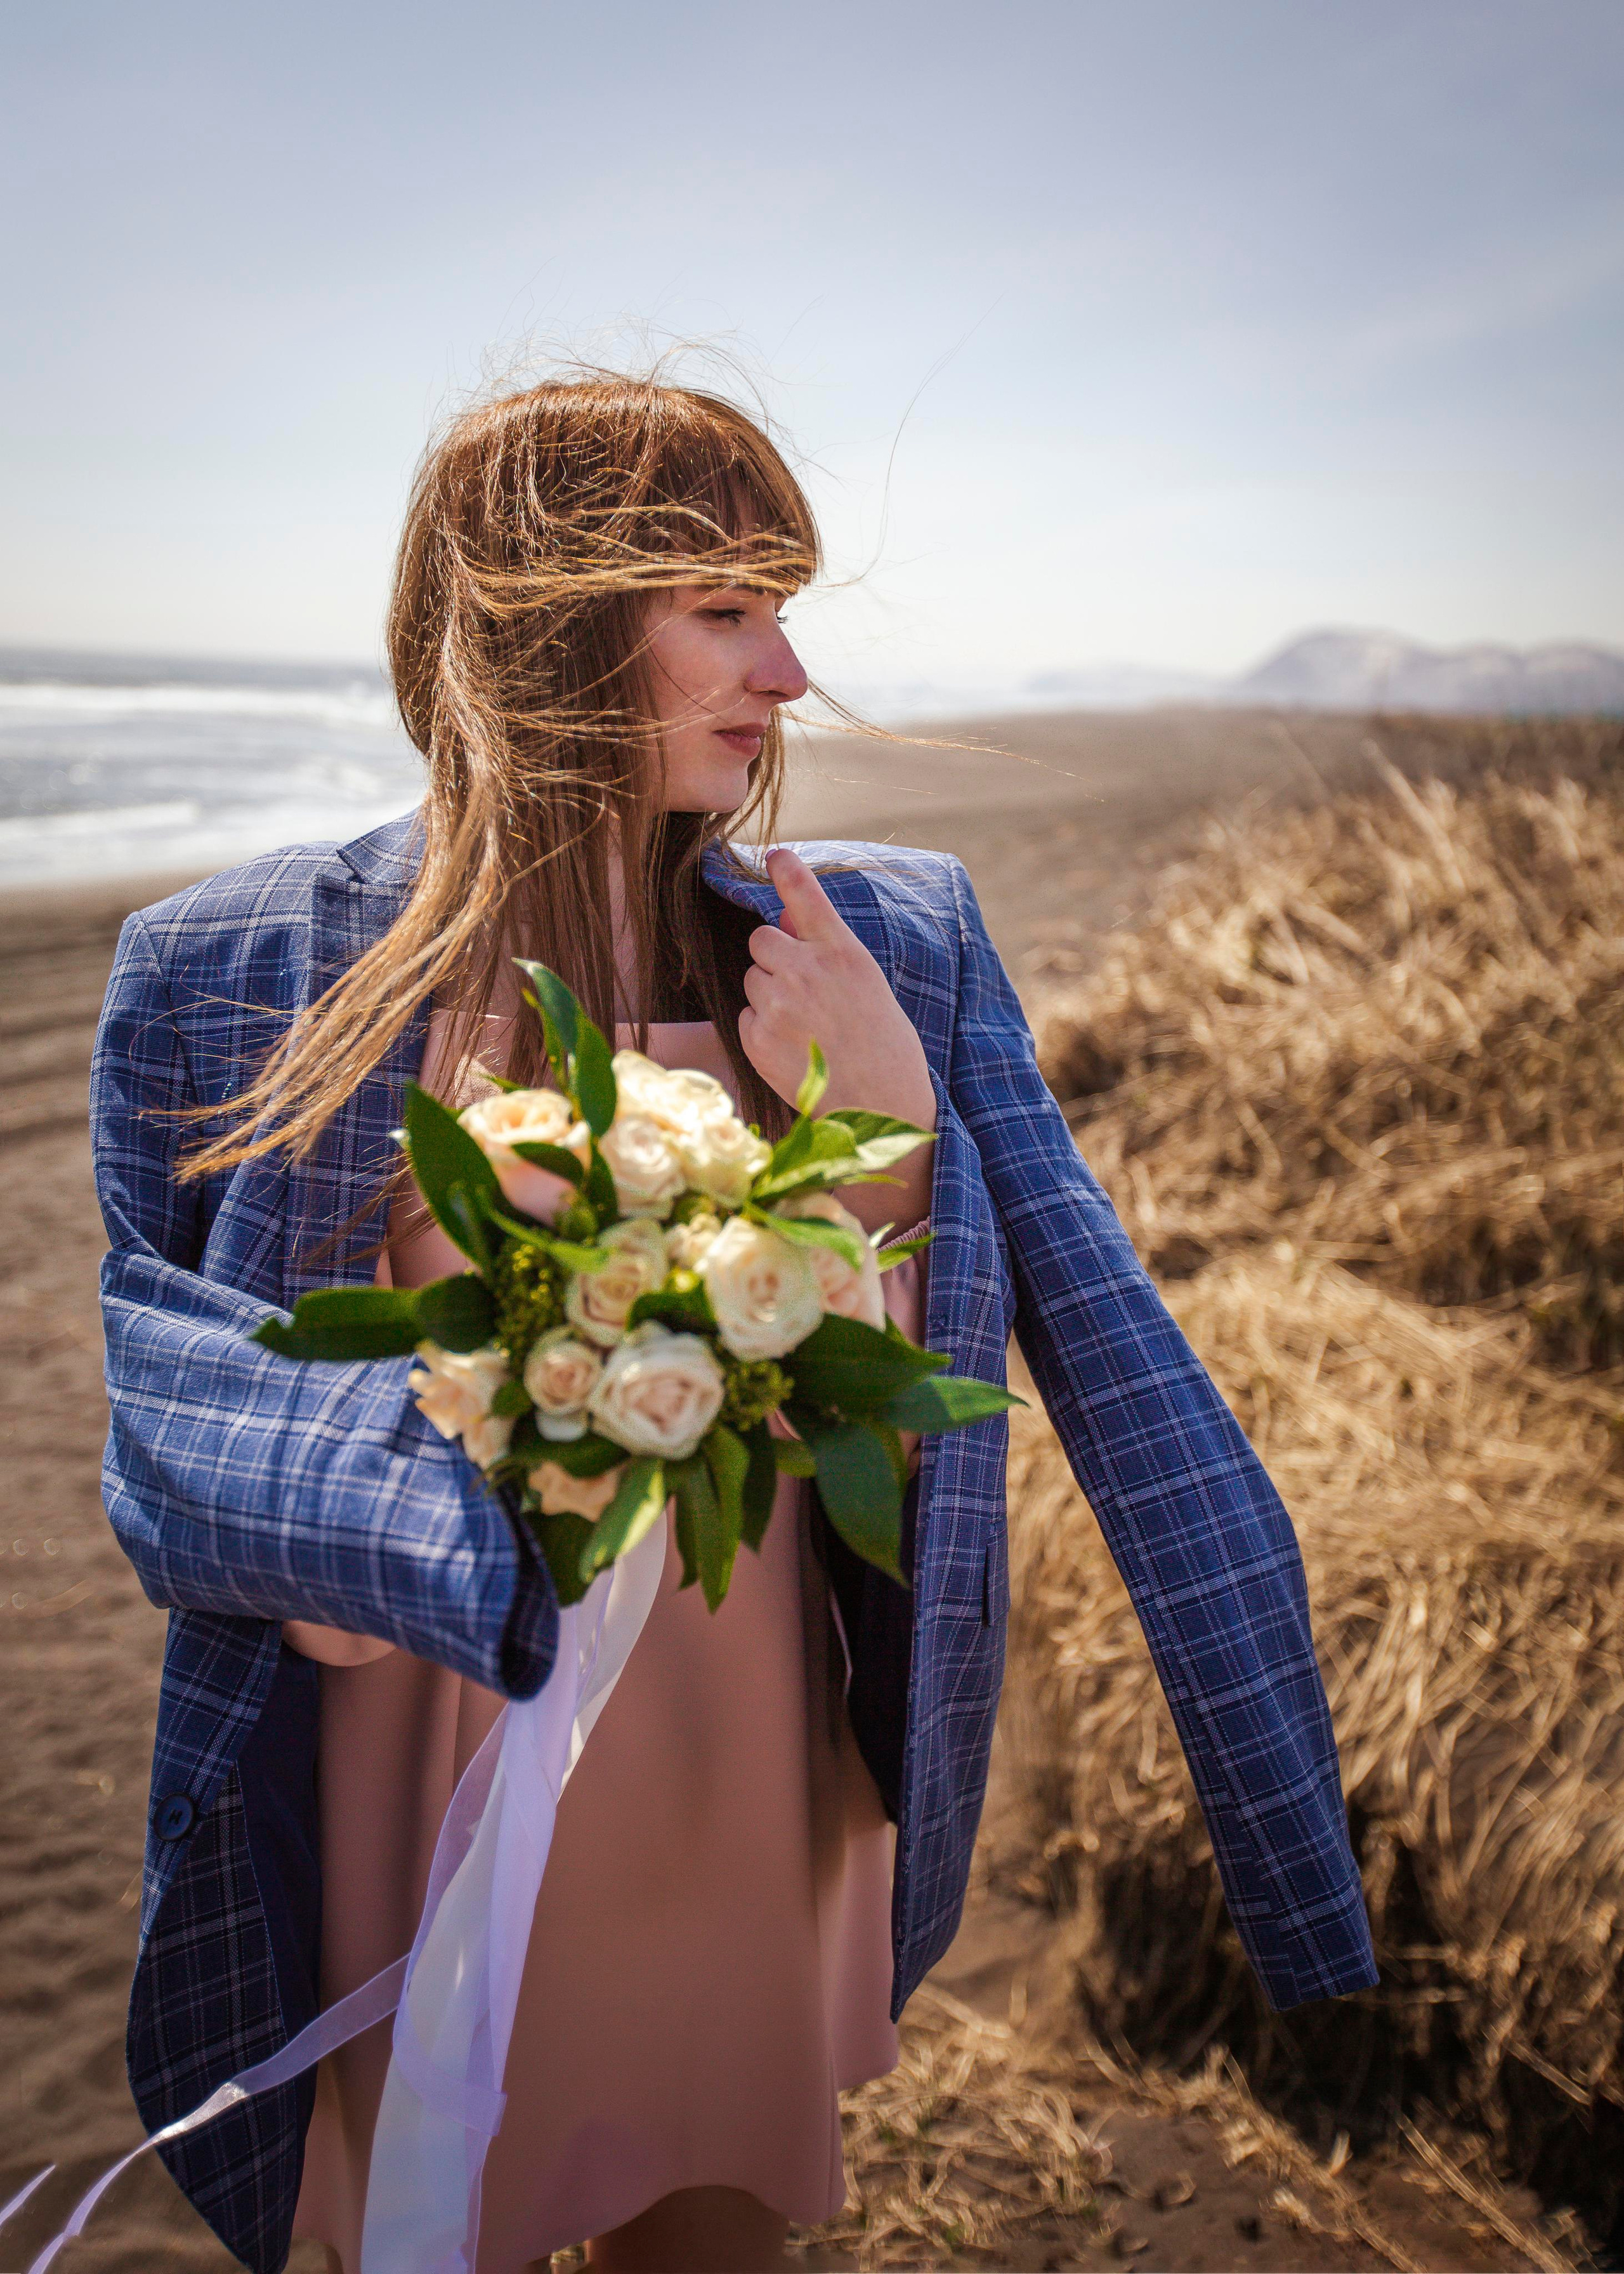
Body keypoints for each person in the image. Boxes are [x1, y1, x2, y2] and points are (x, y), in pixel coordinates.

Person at [92, 373, 1376, 2274]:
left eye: (782, 606)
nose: (787, 672)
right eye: (723, 608)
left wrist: (892, 1136)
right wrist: (362, 1536)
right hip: (403, 1753)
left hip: (747, 1752)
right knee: (415, 2216)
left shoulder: (890, 943)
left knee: (710, 2232)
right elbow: (171, 1407)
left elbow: (1104, 1385)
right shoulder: (232, 966)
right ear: (541, 623)